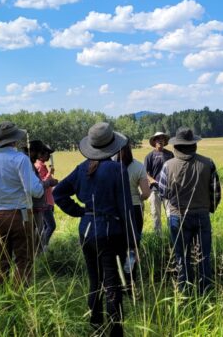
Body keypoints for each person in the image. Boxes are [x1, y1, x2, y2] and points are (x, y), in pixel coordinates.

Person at [53, 122, 134, 337]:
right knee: (112, 284)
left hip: (87, 230)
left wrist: (81, 212)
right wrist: (132, 241)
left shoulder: (81, 169)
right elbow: (126, 207)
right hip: (110, 231)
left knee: (94, 281)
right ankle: (116, 332)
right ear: (111, 145)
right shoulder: (118, 169)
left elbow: (58, 192)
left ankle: (96, 326)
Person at [0, 122, 44, 288]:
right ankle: (19, 295)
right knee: (24, 259)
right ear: (15, 140)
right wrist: (42, 187)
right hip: (20, 215)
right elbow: (33, 189)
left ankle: (0, 298)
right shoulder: (20, 159)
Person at [158, 127, 221, 295]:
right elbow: (216, 193)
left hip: (177, 216)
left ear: (176, 146)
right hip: (202, 215)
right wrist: (209, 208)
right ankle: (205, 292)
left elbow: (162, 192)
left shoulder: (167, 166)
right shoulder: (208, 163)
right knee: (204, 256)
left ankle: (184, 292)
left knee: (181, 257)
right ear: (194, 145)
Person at [117, 142, 150, 291]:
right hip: (134, 209)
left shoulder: (111, 166)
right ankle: (131, 282)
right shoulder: (138, 167)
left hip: (116, 209)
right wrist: (138, 198)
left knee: (117, 245)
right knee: (133, 246)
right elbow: (146, 193)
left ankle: (118, 281)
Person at [28, 140, 58, 253]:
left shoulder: (42, 166)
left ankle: (41, 247)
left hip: (47, 201)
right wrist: (50, 176)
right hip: (43, 202)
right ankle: (41, 248)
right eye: (47, 153)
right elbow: (39, 184)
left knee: (45, 226)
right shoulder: (38, 167)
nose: (48, 156)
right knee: (50, 226)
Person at [143, 132, 173, 235]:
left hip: (168, 189)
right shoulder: (149, 156)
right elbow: (145, 173)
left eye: (162, 139)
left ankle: (172, 236)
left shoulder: (170, 154)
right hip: (154, 190)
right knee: (156, 214)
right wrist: (151, 180)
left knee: (170, 214)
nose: (160, 140)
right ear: (154, 141)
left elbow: (173, 170)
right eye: (158, 139)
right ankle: (158, 237)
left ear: (165, 141)